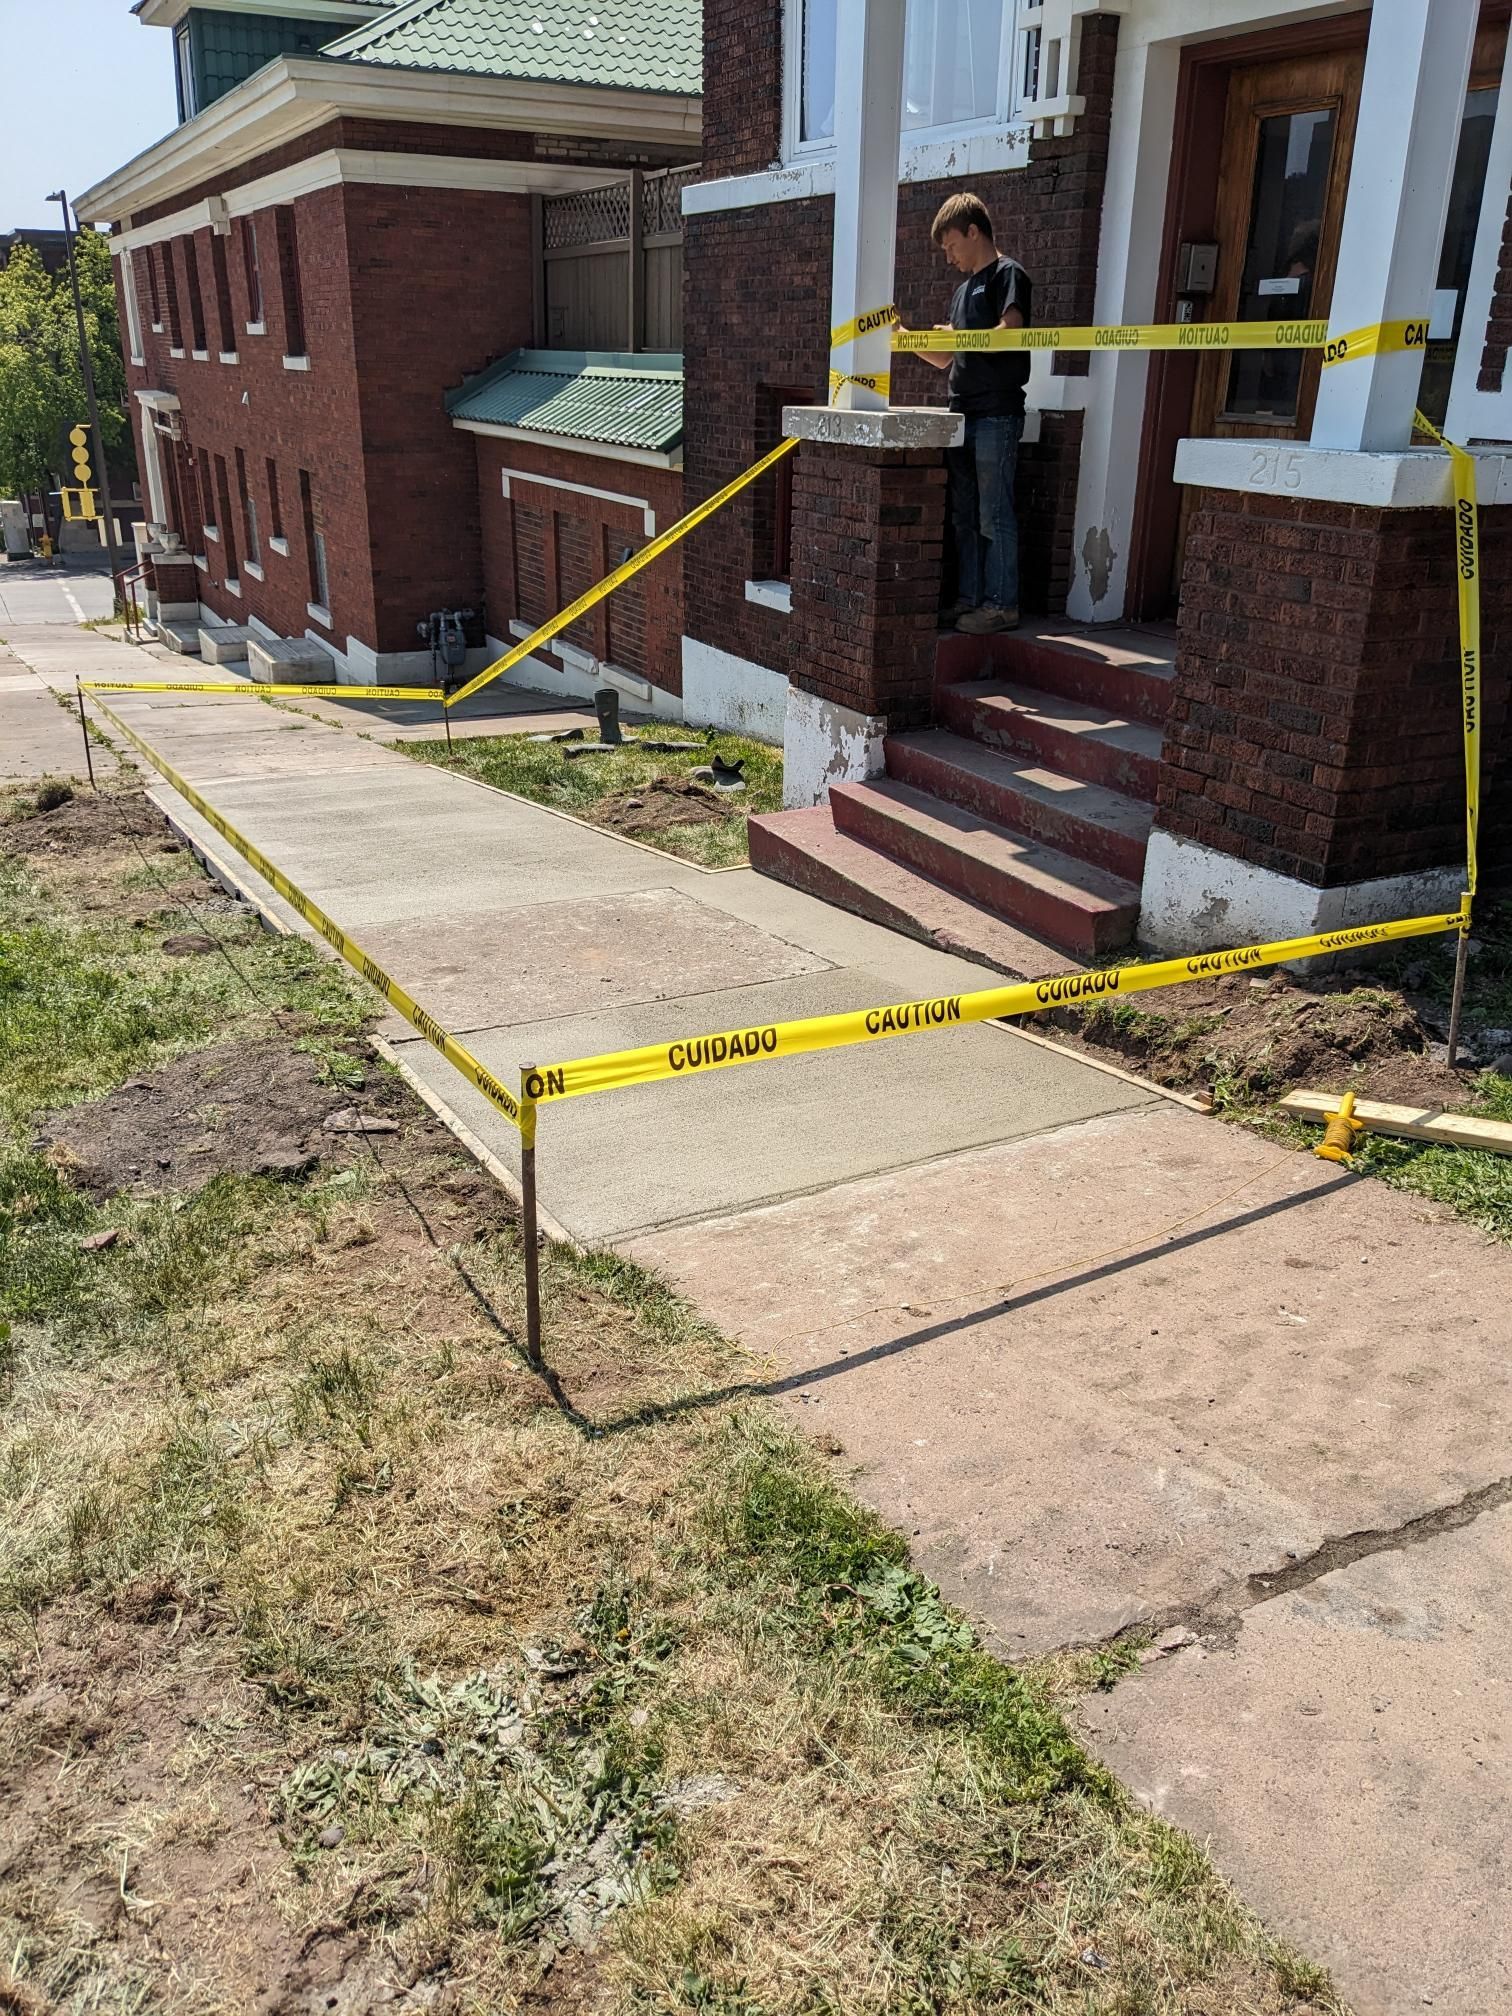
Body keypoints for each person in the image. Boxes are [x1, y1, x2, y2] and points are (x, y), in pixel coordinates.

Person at [916, 192, 1032, 635]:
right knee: (964, 513)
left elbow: (1009, 332)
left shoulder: (1008, 274)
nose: (949, 258)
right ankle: (970, 599)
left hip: (997, 414)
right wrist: (906, 337)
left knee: (993, 512)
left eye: (951, 246)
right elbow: (948, 358)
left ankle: (1002, 605)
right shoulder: (962, 291)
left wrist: (960, 334)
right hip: (961, 412)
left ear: (973, 231)